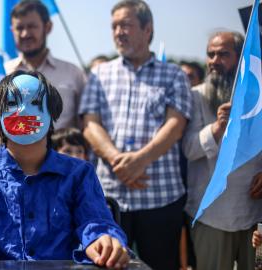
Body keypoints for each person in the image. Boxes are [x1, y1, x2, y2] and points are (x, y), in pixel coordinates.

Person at [0, 70, 130, 270]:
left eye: (34, 103)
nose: (23, 111)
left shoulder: (79, 174)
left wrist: (102, 240)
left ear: (52, 115)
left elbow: (96, 220)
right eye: (13, 104)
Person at [78, 1, 192, 269]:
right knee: (106, 265)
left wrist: (140, 159)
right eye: (114, 26)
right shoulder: (99, 74)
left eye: (126, 24)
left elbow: (176, 124)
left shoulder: (173, 74)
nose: (118, 32)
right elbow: (90, 123)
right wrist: (118, 160)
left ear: (147, 29)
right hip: (109, 199)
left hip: (161, 198)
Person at [182, 31, 262, 270]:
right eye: (210, 54)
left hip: (254, 214)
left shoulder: (258, 98)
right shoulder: (194, 96)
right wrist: (216, 128)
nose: (214, 61)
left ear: (241, 59)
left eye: (223, 54)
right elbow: (188, 149)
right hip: (210, 214)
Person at [5, 0, 85, 130]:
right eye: (19, 28)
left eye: (32, 26)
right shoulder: (2, 73)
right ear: (12, 31)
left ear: (48, 27)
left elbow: (84, 125)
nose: (25, 34)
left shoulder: (73, 73)